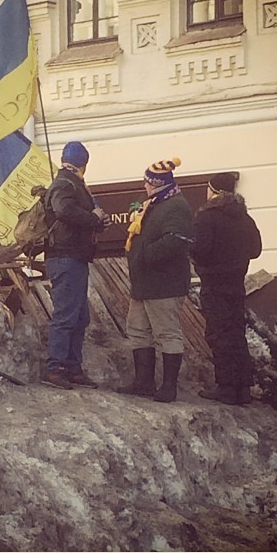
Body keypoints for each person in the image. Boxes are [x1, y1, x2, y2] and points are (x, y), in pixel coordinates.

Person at [117, 159, 193, 402]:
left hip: (164, 284)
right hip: (144, 283)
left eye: (148, 181)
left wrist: (145, 255)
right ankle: (144, 383)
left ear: (158, 184)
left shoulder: (176, 206)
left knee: (167, 333)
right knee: (138, 329)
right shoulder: (155, 203)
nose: (145, 185)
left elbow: (176, 240)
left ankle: (169, 387)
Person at [41, 141, 111, 390]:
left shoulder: (71, 183)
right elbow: (64, 210)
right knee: (66, 315)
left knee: (79, 316)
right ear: (85, 163)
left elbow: (72, 214)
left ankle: (72, 366)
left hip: (75, 257)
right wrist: (92, 218)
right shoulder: (64, 184)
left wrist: (96, 222)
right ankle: (55, 368)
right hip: (64, 256)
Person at [190, 172, 262, 405]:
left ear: (215, 191)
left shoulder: (207, 217)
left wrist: (198, 259)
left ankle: (227, 388)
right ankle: (243, 388)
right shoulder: (245, 218)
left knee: (218, 334)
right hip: (236, 284)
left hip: (214, 283)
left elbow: (200, 249)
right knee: (236, 333)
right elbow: (256, 250)